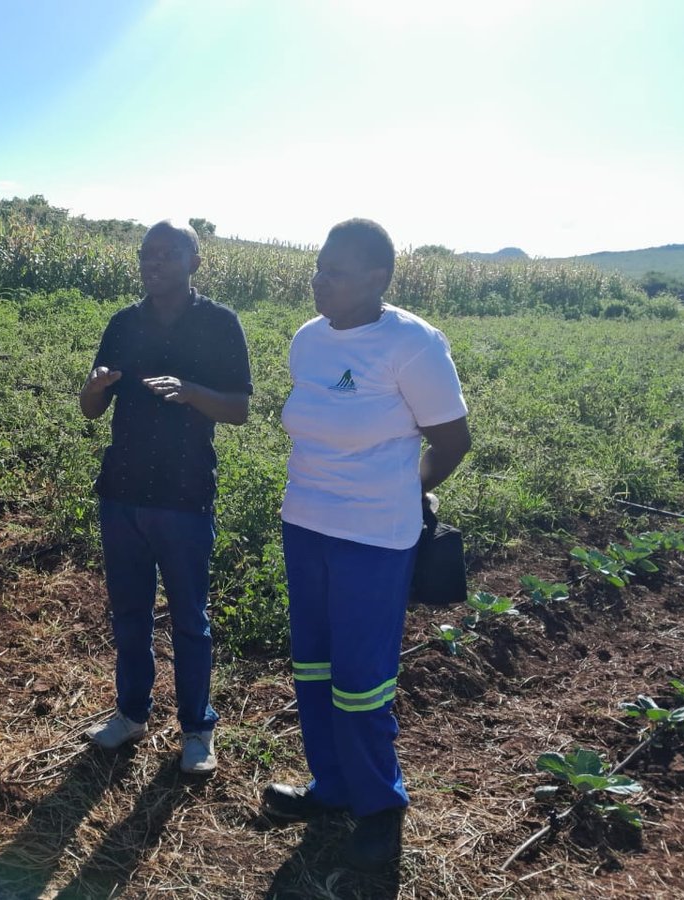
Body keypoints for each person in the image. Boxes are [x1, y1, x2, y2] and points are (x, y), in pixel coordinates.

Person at [261, 219, 471, 871]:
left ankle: (380, 805)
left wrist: (406, 495)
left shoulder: (412, 344)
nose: (318, 279)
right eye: (318, 266)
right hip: (306, 524)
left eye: (336, 271)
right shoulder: (308, 339)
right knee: (315, 666)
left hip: (374, 537)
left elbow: (451, 442)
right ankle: (332, 787)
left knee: (362, 678)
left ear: (377, 278)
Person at [79, 220, 252, 775]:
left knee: (190, 619)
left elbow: (240, 409)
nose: (153, 263)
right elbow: (89, 409)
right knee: (129, 613)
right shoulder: (123, 324)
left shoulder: (219, 324)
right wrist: (96, 386)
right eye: (146, 255)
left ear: (193, 260)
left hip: (184, 493)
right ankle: (131, 714)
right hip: (122, 492)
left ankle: (197, 731)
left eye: (166, 254)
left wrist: (191, 393)